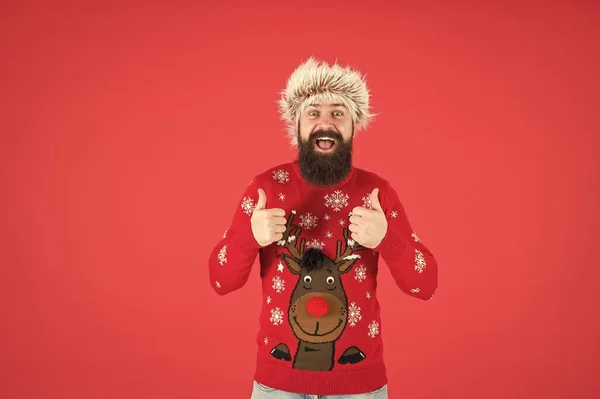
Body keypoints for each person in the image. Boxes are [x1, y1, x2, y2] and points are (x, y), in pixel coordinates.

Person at [208, 57, 438, 398]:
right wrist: (249, 240)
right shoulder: (266, 189)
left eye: (338, 113)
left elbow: (426, 284)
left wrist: (387, 240)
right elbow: (220, 280)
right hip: (277, 388)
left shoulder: (377, 194)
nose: (325, 123)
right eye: (313, 112)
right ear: (297, 124)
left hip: (359, 387)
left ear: (353, 124)